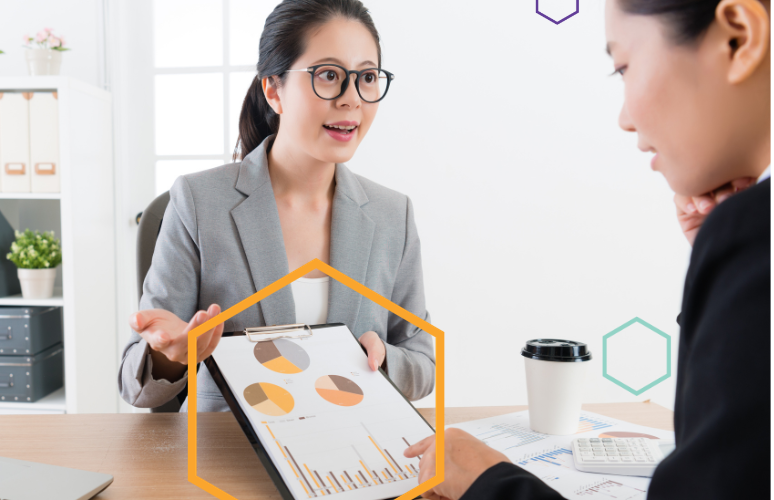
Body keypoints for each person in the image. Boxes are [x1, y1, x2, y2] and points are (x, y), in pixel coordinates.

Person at [404, 0, 771, 498]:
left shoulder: (753, 233)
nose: (624, 119)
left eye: (623, 66)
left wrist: (490, 482)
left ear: (739, 36)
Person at [118, 0, 436, 412]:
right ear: (274, 90)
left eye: (367, 77)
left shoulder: (393, 214)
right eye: (328, 75)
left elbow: (424, 361)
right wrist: (171, 354)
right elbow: (134, 383)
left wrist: (385, 358)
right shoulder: (198, 202)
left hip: (353, 446)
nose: (351, 99)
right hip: (232, 452)